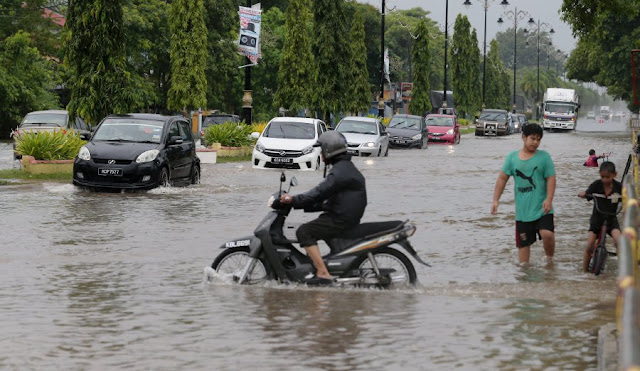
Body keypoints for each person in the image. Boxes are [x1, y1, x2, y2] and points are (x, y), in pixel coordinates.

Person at [279, 131, 367, 285]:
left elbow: (318, 192)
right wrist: (300, 204)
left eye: (321, 150)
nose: (320, 154)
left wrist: (293, 199)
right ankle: (319, 267)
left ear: (329, 150)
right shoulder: (344, 168)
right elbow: (326, 199)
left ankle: (322, 272)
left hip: (340, 218)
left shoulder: (340, 172)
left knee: (304, 231)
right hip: (342, 215)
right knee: (313, 226)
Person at [491, 123, 556, 263]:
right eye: (532, 138)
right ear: (523, 137)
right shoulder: (512, 158)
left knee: (547, 234)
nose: (535, 142)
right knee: (523, 253)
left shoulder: (544, 157)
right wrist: (496, 200)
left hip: (543, 208)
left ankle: (550, 260)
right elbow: (502, 178)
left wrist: (549, 199)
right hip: (523, 212)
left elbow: (551, 178)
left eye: (538, 139)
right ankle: (524, 280)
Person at [578, 161, 622, 272]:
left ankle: (623, 270)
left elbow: (628, 198)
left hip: (612, 219)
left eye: (608, 177)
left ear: (614, 174)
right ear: (599, 174)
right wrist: (583, 194)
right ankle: (584, 271)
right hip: (597, 220)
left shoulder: (619, 187)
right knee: (589, 245)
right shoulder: (596, 185)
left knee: (619, 241)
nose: (605, 180)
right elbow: (587, 193)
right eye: (602, 177)